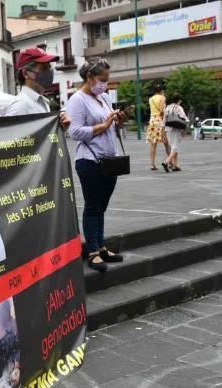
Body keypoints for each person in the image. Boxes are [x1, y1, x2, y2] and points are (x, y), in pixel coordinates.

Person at [66, 59, 126, 272]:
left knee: (102, 206)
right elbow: (74, 132)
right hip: (89, 160)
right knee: (92, 206)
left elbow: (111, 125)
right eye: (102, 80)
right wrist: (103, 125)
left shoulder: (104, 98)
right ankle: (92, 251)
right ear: (90, 77)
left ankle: (101, 246)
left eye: (107, 81)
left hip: (110, 160)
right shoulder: (77, 100)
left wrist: (118, 120)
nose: (105, 85)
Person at [4, 47, 71, 129]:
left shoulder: (43, 102)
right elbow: (8, 139)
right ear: (25, 73)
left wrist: (61, 130)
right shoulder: (20, 105)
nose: (49, 72)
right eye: (43, 68)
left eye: (49, 67)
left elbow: (43, 139)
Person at [146, 83, 170, 171]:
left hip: (152, 120)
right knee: (166, 143)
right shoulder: (162, 98)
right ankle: (170, 162)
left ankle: (152, 164)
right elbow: (161, 111)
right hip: (160, 121)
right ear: (161, 90)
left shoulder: (151, 99)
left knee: (153, 144)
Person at [163, 93, 188, 172]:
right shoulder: (179, 108)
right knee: (175, 147)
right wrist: (184, 130)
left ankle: (175, 165)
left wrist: (163, 132)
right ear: (179, 100)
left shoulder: (167, 108)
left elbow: (164, 121)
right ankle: (166, 162)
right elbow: (185, 120)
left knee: (173, 146)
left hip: (168, 129)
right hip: (176, 129)